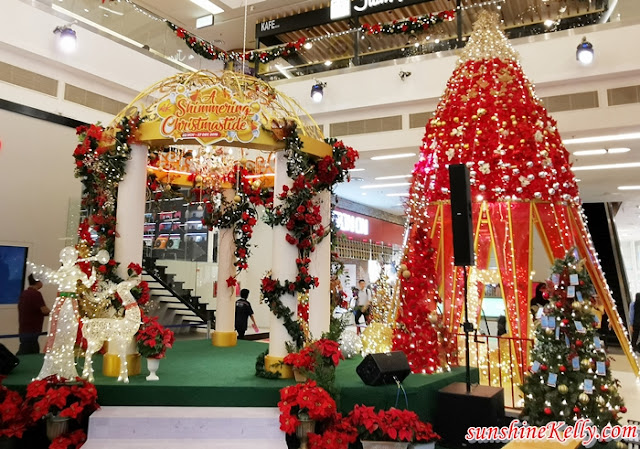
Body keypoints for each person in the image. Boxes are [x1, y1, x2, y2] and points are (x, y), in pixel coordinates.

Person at [17, 274, 50, 355]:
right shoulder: (36, 294)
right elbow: (44, 310)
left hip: (24, 329)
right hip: (32, 330)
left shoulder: (24, 293)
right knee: (29, 353)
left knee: (27, 349)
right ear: (38, 282)